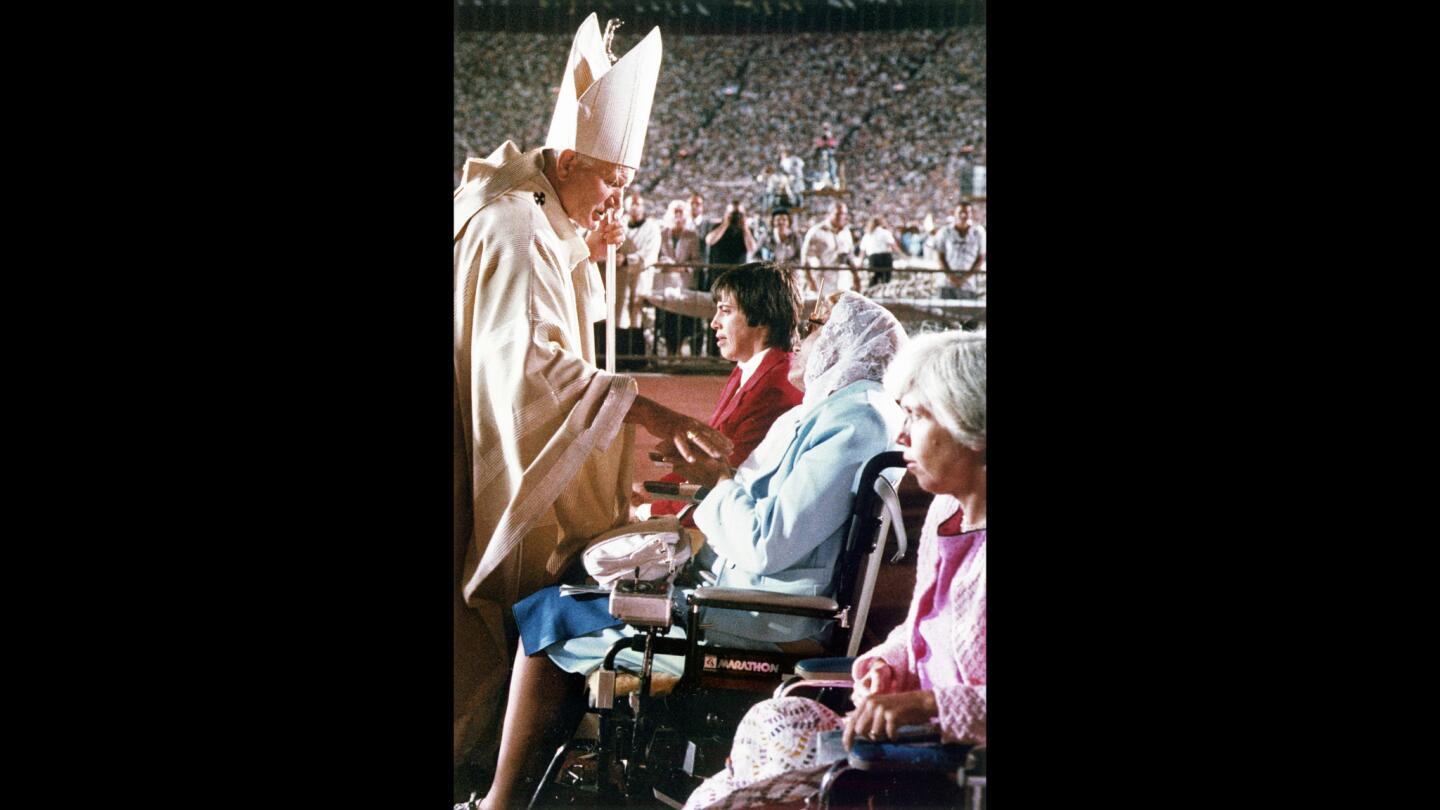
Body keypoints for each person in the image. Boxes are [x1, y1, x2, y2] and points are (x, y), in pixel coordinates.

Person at [480, 291, 908, 810]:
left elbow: (768, 541)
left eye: (817, 324)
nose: (802, 337)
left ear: (849, 339)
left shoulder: (853, 417)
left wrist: (716, 483)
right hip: (734, 599)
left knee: (549, 616)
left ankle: (502, 801)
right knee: (568, 595)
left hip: (751, 619)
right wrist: (712, 488)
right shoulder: (834, 407)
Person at [452, 15, 734, 785]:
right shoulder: (512, 225)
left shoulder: (538, 211)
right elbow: (529, 368)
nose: (621, 196)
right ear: (569, 158)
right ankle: (489, 771)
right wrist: (648, 409)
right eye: (612, 178)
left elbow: (545, 315)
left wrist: (588, 252)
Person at [683, 329, 986, 810]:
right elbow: (919, 633)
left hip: (943, 763)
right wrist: (886, 663)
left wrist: (926, 706)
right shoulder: (946, 512)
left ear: (972, 428)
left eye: (918, 414)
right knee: (773, 720)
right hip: (902, 743)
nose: (902, 434)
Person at [644, 262, 804, 522]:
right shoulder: (750, 369)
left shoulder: (777, 387)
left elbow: (731, 481)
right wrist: (655, 492)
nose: (714, 323)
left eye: (725, 311)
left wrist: (648, 510)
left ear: (760, 316)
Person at [617, 190, 662, 355]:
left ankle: (639, 358)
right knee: (620, 315)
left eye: (637, 204)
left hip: (640, 276)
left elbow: (650, 253)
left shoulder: (651, 227)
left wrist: (628, 260)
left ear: (642, 207)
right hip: (620, 278)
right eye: (631, 204)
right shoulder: (621, 224)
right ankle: (622, 357)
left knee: (638, 314)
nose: (634, 208)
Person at [657, 199, 702, 356]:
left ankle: (681, 353)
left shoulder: (692, 235)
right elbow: (657, 257)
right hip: (666, 284)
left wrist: (681, 267)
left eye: (680, 212)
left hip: (685, 284)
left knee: (683, 321)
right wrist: (664, 262)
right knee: (667, 320)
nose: (677, 215)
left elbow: (696, 261)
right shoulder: (662, 234)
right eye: (675, 212)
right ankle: (670, 353)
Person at [928, 201, 986, 300]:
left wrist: (966, 277)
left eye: (967, 212)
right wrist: (950, 276)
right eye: (960, 212)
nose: (963, 215)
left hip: (969, 284)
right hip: (946, 282)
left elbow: (980, 258)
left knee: (966, 313)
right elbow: (940, 256)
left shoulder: (979, 232)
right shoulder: (945, 231)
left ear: (971, 214)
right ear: (955, 213)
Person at [800, 201, 859, 295]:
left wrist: (856, 277)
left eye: (844, 213)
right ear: (829, 214)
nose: (841, 216)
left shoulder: (846, 232)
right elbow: (805, 258)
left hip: (843, 281)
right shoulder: (816, 232)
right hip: (823, 282)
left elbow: (850, 256)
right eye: (838, 213)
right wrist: (809, 280)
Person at [859, 215, 902, 288]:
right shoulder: (885, 232)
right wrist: (903, 255)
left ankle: (870, 296)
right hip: (885, 258)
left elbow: (862, 250)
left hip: (873, 259)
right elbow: (894, 246)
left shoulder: (867, 234)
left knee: (874, 279)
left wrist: (860, 262)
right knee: (885, 281)